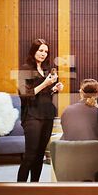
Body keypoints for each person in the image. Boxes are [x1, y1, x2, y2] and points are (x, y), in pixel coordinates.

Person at [17, 38, 63, 182]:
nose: (43, 54)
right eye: (40, 50)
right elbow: (25, 95)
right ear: (34, 51)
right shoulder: (25, 69)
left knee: (40, 154)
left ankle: (35, 186)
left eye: (46, 52)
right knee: (30, 154)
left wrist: (54, 88)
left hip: (47, 114)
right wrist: (45, 84)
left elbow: (44, 94)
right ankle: (20, 188)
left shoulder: (45, 69)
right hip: (31, 115)